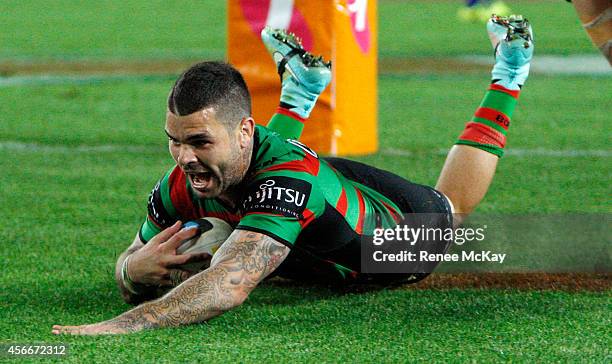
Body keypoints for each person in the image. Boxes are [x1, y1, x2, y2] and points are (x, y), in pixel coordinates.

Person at [52, 15, 534, 335]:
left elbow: (227, 286)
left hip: (398, 238)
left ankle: (509, 73)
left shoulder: (287, 181)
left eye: (199, 142)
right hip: (320, 193)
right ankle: (302, 90)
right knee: (258, 186)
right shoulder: (180, 181)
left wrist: (126, 322)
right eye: (174, 140)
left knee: (452, 208)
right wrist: (129, 271)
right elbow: (134, 257)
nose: (183, 157)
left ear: (245, 129)